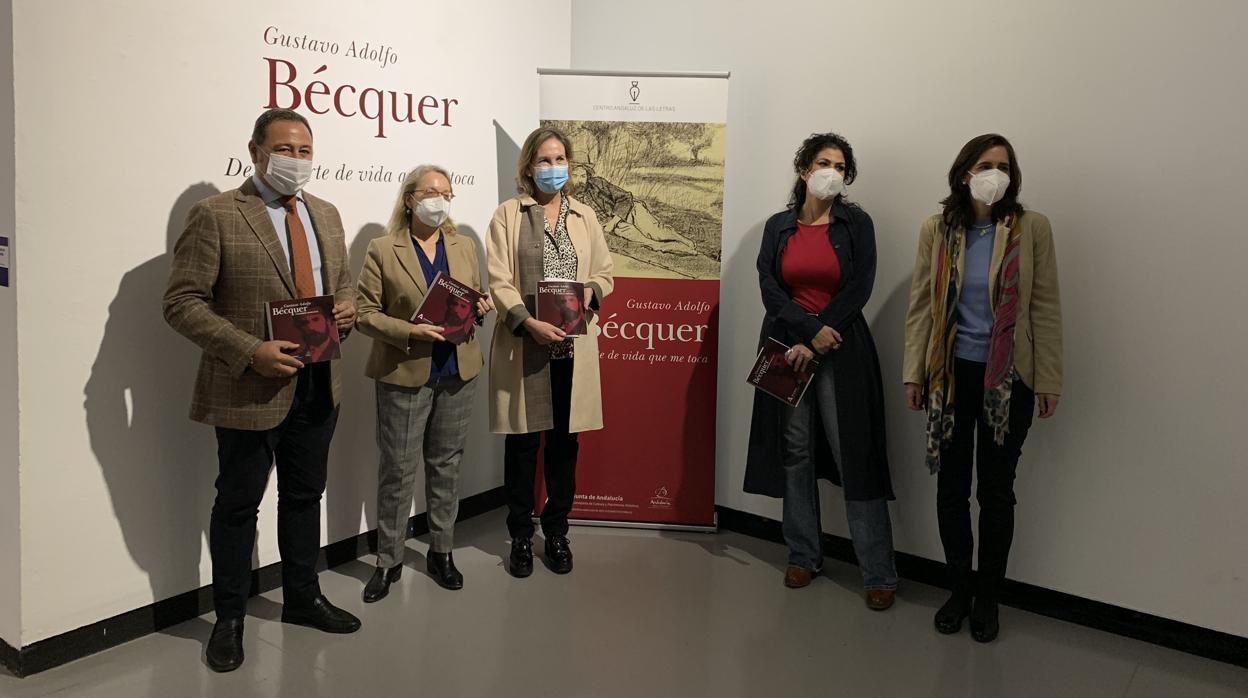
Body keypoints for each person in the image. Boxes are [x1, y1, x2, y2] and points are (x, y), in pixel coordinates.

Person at [163, 108, 360, 673]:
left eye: (304, 150)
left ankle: (301, 598)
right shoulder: (217, 215)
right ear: (255, 151)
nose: (296, 160)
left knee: (304, 496)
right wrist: (250, 350)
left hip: (321, 382)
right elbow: (181, 303)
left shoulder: (327, 213)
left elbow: (337, 286)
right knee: (237, 505)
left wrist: (344, 312)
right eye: (284, 149)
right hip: (250, 387)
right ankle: (229, 619)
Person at [902, 133, 1063, 643]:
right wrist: (914, 373)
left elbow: (1044, 306)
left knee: (995, 492)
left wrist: (1049, 378)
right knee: (951, 488)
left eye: (1004, 165)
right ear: (964, 172)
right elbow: (923, 307)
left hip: (1007, 380)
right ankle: (958, 589)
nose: (996, 173)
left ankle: (988, 596)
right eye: (985, 164)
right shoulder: (938, 229)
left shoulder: (1030, 228)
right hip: (950, 377)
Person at [744, 132, 899, 610]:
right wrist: (806, 331)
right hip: (785, 347)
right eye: (823, 162)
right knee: (794, 451)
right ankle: (803, 554)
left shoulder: (857, 224)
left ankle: (878, 571)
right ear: (805, 169)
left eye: (840, 165)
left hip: (841, 348)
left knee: (853, 451)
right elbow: (770, 285)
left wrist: (822, 333)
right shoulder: (778, 226)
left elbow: (860, 285)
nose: (832, 170)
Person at [354, 165, 493, 599]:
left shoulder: (464, 245)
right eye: (431, 192)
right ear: (410, 198)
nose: (440, 200)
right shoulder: (383, 249)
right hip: (405, 371)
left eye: (447, 193)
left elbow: (474, 293)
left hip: (458, 369)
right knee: (397, 468)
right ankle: (388, 560)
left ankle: (441, 551)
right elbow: (363, 314)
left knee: (446, 464)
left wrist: (482, 304)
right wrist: (409, 331)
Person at [487, 126, 614, 577]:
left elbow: (605, 271)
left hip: (573, 348)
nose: (553, 168)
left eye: (560, 159)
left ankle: (557, 532)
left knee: (564, 446)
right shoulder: (508, 214)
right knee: (522, 446)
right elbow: (498, 278)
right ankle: (521, 535)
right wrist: (527, 320)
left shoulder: (585, 216)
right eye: (544, 160)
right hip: (527, 343)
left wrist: (590, 294)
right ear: (528, 166)